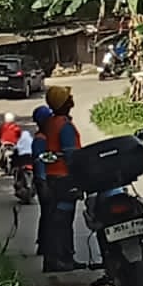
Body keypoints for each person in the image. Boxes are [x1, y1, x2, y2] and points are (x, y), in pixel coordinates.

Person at [41, 85, 84, 273]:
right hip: (64, 178)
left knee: (55, 220)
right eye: (69, 98)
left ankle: (57, 258)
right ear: (64, 103)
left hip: (52, 177)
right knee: (63, 220)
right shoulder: (64, 126)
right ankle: (62, 258)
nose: (72, 100)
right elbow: (71, 155)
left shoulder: (50, 123)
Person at [31, 105, 52, 256]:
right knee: (48, 212)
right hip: (43, 180)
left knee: (48, 212)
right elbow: (39, 163)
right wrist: (43, 182)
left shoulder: (45, 137)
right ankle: (44, 243)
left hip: (44, 180)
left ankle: (44, 243)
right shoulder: (40, 139)